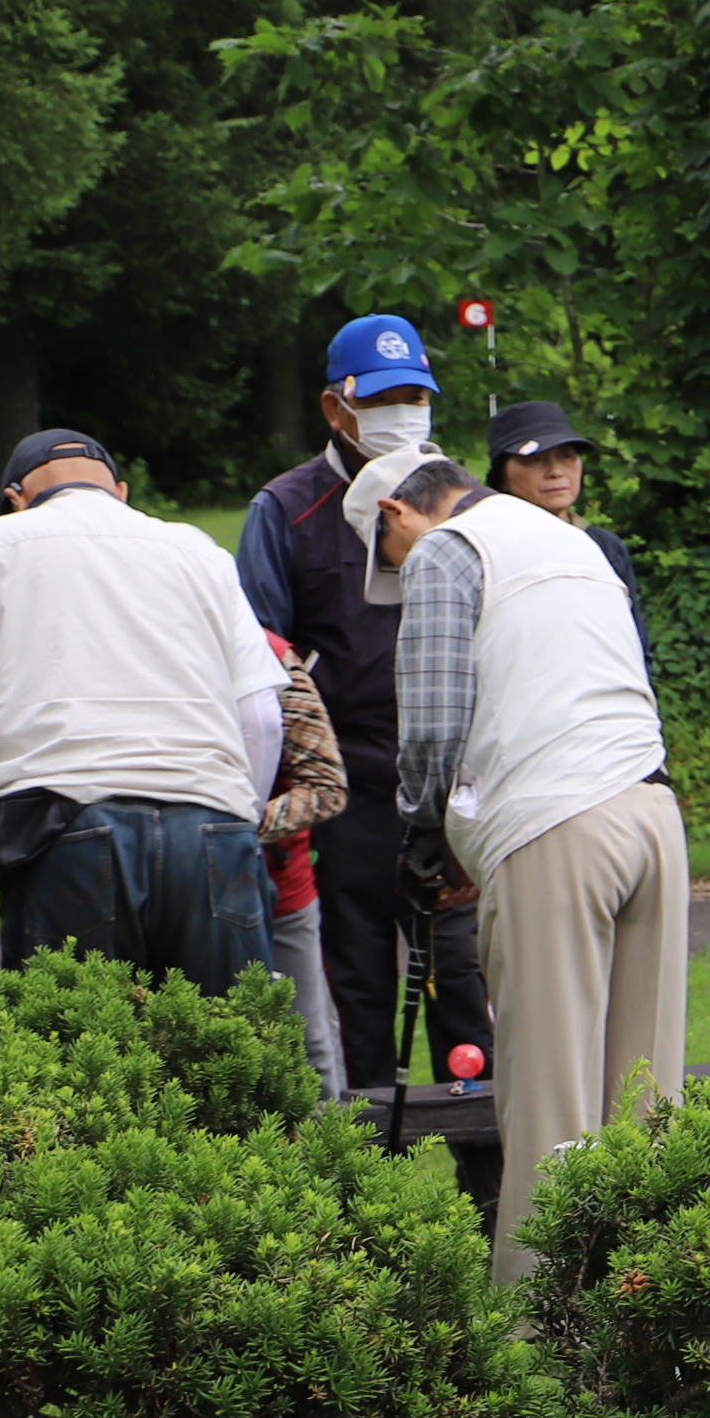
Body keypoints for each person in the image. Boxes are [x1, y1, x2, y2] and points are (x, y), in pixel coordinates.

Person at [352, 447, 685, 1280]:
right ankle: (663, 1309)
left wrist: (425, 837)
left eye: (384, 557)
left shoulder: (444, 550)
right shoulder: (574, 542)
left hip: (555, 825)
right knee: (646, 1100)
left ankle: (540, 1348)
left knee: (549, 1107)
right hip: (652, 812)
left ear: (396, 514)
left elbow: (430, 725)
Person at [0, 431, 285, 986]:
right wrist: (235, 822)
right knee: (227, 1060)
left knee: (77, 1066)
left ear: (15, 497)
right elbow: (261, 716)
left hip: (67, 830)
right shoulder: (200, 553)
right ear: (120, 489)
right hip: (212, 833)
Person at [240, 314, 491, 1084]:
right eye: (383, 398)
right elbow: (259, 660)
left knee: (464, 982)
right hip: (346, 792)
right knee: (358, 983)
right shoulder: (285, 509)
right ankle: (368, 1175)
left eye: (416, 394)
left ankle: (484, 1176)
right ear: (334, 407)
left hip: (457, 784)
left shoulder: (463, 499)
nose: (404, 412)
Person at [486, 399, 649, 666]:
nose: (555, 472)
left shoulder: (605, 546)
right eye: (535, 460)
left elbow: (636, 644)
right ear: (501, 475)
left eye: (567, 456)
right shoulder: (488, 547)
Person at [259, 631, 351, 1095]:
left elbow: (326, 786)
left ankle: (332, 1165)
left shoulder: (273, 657)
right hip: (183, 890)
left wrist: (238, 823)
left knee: (310, 1044)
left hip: (282, 895)